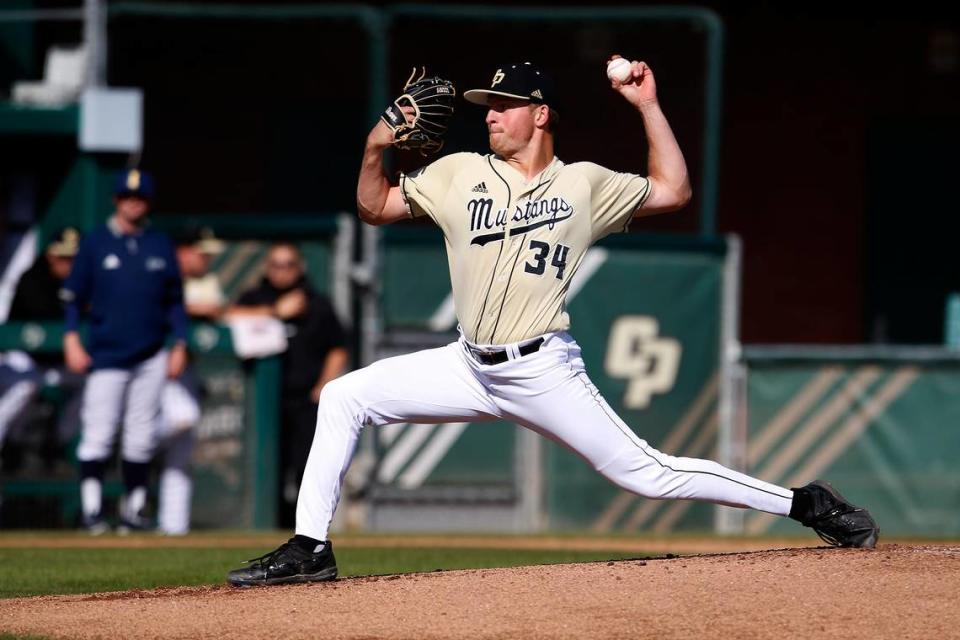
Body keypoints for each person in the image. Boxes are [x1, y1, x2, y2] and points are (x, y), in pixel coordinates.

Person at [227, 58, 879, 586]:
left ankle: (808, 503)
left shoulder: (584, 185)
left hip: (542, 367)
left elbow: (674, 190)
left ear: (540, 115)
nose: (491, 117)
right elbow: (375, 208)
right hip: (466, 364)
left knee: (647, 474)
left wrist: (647, 105)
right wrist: (375, 146)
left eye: (504, 106)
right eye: (487, 107)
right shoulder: (458, 174)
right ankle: (311, 548)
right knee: (344, 396)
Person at [62, 168, 188, 534]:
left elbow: (175, 302)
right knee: (98, 433)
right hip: (106, 354)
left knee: (141, 435)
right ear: (117, 200)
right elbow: (73, 298)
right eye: (127, 197)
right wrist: (71, 337)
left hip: (150, 353)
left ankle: (133, 511)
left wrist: (179, 343)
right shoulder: (95, 242)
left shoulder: (159, 243)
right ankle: (92, 511)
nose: (134, 204)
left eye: (141, 198)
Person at [228, 242, 348, 527]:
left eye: (288, 264)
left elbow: (339, 345)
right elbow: (226, 317)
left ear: (300, 267)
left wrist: (323, 385)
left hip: (305, 398)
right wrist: (275, 312)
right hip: (262, 401)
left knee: (306, 465)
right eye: (276, 265)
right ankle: (263, 521)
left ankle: (304, 526)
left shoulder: (317, 302)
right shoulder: (254, 297)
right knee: (268, 465)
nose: (282, 271)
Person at [155, 227, 227, 535]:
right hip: (148, 364)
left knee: (182, 450)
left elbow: (218, 311)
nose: (206, 259)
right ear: (182, 251)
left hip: (182, 368)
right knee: (168, 425)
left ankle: (173, 528)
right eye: (201, 252)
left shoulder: (205, 281)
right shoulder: (158, 269)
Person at [1, 227, 84, 471]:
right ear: (50, 254)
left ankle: (55, 441)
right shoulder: (33, 278)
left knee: (93, 386)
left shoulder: (83, 282)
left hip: (58, 363)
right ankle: (9, 443)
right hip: (22, 356)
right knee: (23, 386)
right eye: (63, 258)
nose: (67, 265)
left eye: (73, 259)